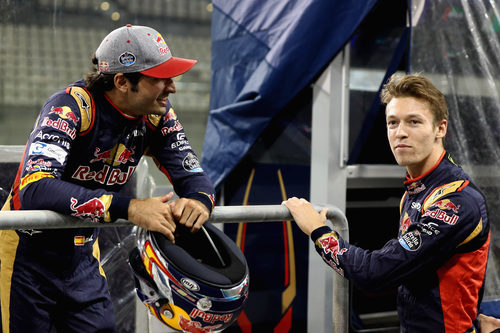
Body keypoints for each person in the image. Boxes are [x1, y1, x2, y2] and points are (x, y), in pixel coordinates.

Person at [0, 24, 215, 333]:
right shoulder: (69, 108)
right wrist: (131, 208)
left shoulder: (158, 115)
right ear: (122, 81)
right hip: (28, 255)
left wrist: (199, 199)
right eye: (160, 78)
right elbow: (35, 188)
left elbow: (191, 171)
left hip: (84, 254)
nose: (172, 87)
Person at [284, 73, 493, 332]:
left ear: (440, 128)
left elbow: (376, 273)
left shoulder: (457, 200)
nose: (400, 133)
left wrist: (319, 231)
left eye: (414, 122)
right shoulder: (416, 191)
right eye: (392, 123)